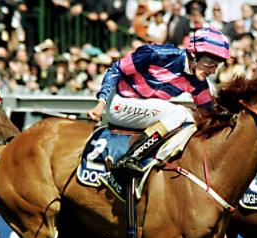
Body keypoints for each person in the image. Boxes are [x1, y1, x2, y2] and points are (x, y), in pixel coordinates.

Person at [87, 27, 230, 176]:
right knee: (181, 113)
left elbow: (209, 112)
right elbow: (116, 69)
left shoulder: (198, 82)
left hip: (144, 109)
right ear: (194, 55)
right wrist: (101, 103)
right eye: (210, 63)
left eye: (217, 65)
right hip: (119, 103)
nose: (213, 70)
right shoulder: (156, 54)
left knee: (191, 116)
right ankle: (130, 158)